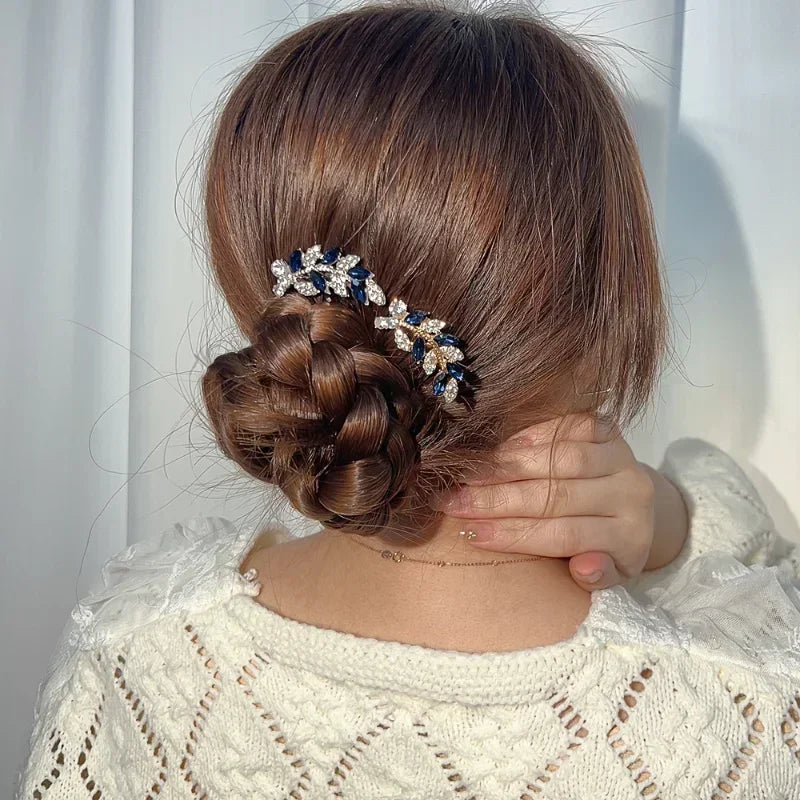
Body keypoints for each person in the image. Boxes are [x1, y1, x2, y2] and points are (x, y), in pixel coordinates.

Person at [16, 2, 800, 798]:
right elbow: (773, 574)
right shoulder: (751, 719)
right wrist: (673, 523)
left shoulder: (136, 648)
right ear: (607, 314)